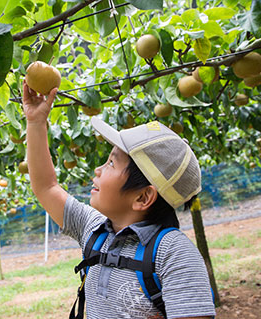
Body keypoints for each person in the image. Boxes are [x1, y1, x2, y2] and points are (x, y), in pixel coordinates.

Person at [22, 82, 216, 319]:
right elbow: (45, 186)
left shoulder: (173, 254)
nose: (98, 169)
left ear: (142, 197)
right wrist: (35, 122)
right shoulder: (94, 228)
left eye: (112, 163)